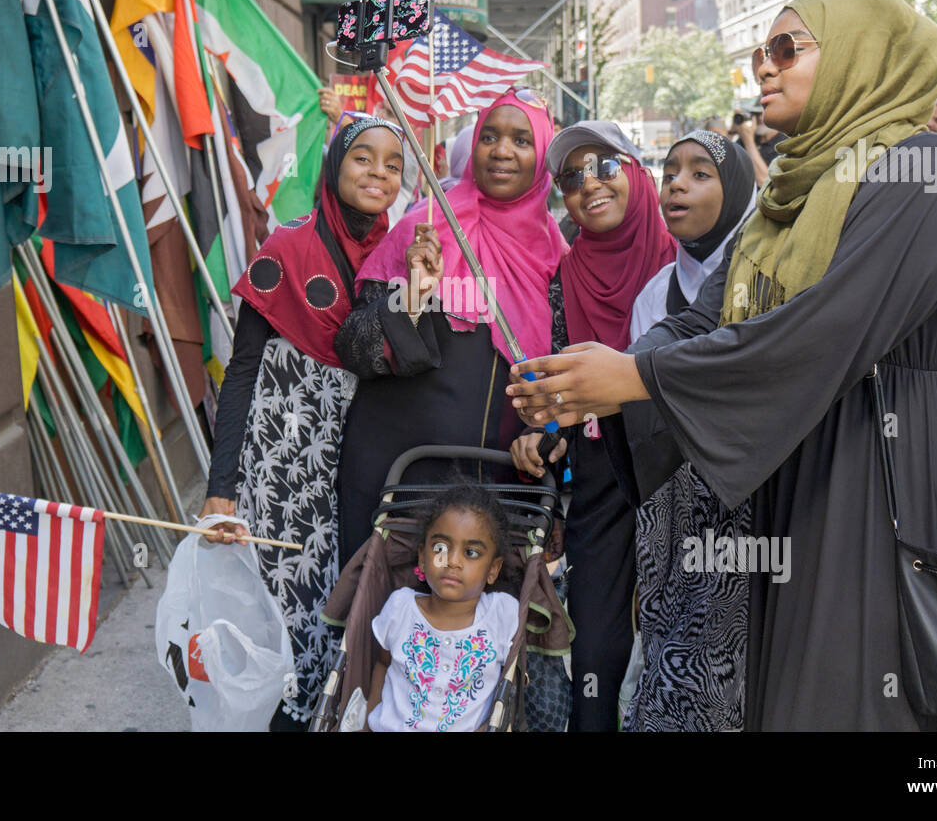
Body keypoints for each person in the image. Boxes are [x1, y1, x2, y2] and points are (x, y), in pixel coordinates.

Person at [505, 0, 937, 731]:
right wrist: (597, 380)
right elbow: (700, 317)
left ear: (861, 58)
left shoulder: (930, 174)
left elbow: (826, 330)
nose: (765, 67)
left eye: (789, 49)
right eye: (762, 52)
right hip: (814, 475)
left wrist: (634, 377)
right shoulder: (789, 195)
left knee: (892, 691)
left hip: (910, 475)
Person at [201, 118, 404, 730]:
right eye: (363, 159)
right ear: (334, 167)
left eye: (392, 164)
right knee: (282, 608)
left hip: (358, 458)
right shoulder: (286, 248)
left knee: (345, 605)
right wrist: (220, 486)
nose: (377, 173)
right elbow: (240, 374)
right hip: (282, 460)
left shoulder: (402, 252)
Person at [334, 87, 566, 566]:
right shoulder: (425, 227)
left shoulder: (556, 255)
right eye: (490, 137)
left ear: (542, 154)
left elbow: (564, 379)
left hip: (497, 488)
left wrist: (546, 435)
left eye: (521, 140)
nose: (502, 150)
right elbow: (355, 349)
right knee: (379, 626)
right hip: (395, 478)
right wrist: (415, 293)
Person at [508, 120, 676, 731]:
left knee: (687, 631)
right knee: (597, 643)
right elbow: (565, 394)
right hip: (604, 473)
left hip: (682, 470)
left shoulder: (685, 262)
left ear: (636, 173)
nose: (589, 185)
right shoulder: (567, 275)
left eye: (605, 166)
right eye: (571, 178)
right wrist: (542, 429)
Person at [620, 129, 756, 731]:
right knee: (676, 665)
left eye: (701, 173)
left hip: (752, 501)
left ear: (738, 191)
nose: (676, 182)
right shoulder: (654, 297)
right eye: (670, 170)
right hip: (672, 508)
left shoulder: (764, 282)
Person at [366, 484, 519, 731]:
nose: (453, 561)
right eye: (440, 548)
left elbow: (512, 691)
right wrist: (366, 724)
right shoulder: (400, 607)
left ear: (493, 569)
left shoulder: (501, 614)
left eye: (471, 552)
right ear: (422, 558)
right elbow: (382, 665)